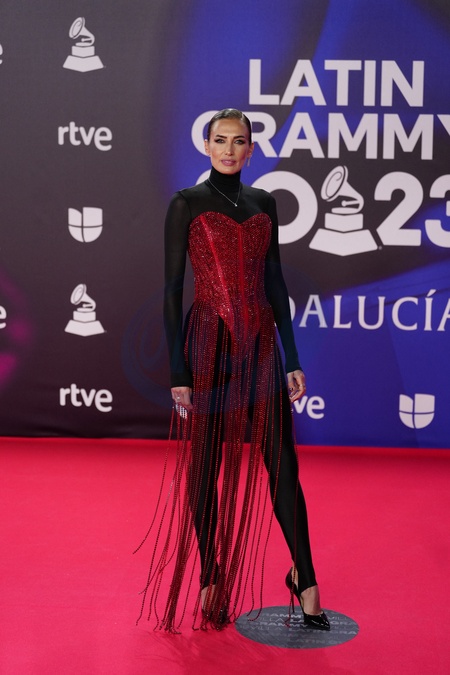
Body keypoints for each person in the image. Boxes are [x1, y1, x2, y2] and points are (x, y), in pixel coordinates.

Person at [137, 108, 329, 633]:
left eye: (238, 141)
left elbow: (276, 284)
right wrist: (178, 370)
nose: (228, 149)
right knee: (205, 466)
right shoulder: (186, 203)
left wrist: (293, 356)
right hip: (208, 346)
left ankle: (306, 577)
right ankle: (212, 572)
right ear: (206, 145)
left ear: (251, 149)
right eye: (219, 140)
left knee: (282, 462)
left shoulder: (265, 202)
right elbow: (172, 292)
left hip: (262, 346)